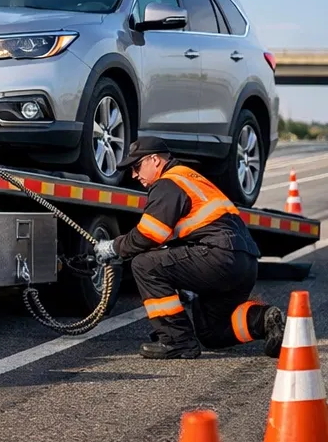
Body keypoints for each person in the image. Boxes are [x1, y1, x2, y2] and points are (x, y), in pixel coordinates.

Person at [94, 136, 285, 360]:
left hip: (218, 256)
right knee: (212, 332)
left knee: (144, 265)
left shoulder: (168, 182)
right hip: (244, 262)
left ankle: (177, 341)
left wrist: (113, 248)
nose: (134, 175)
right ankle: (264, 320)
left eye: (137, 166)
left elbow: (149, 234)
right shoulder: (190, 178)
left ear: (154, 160)